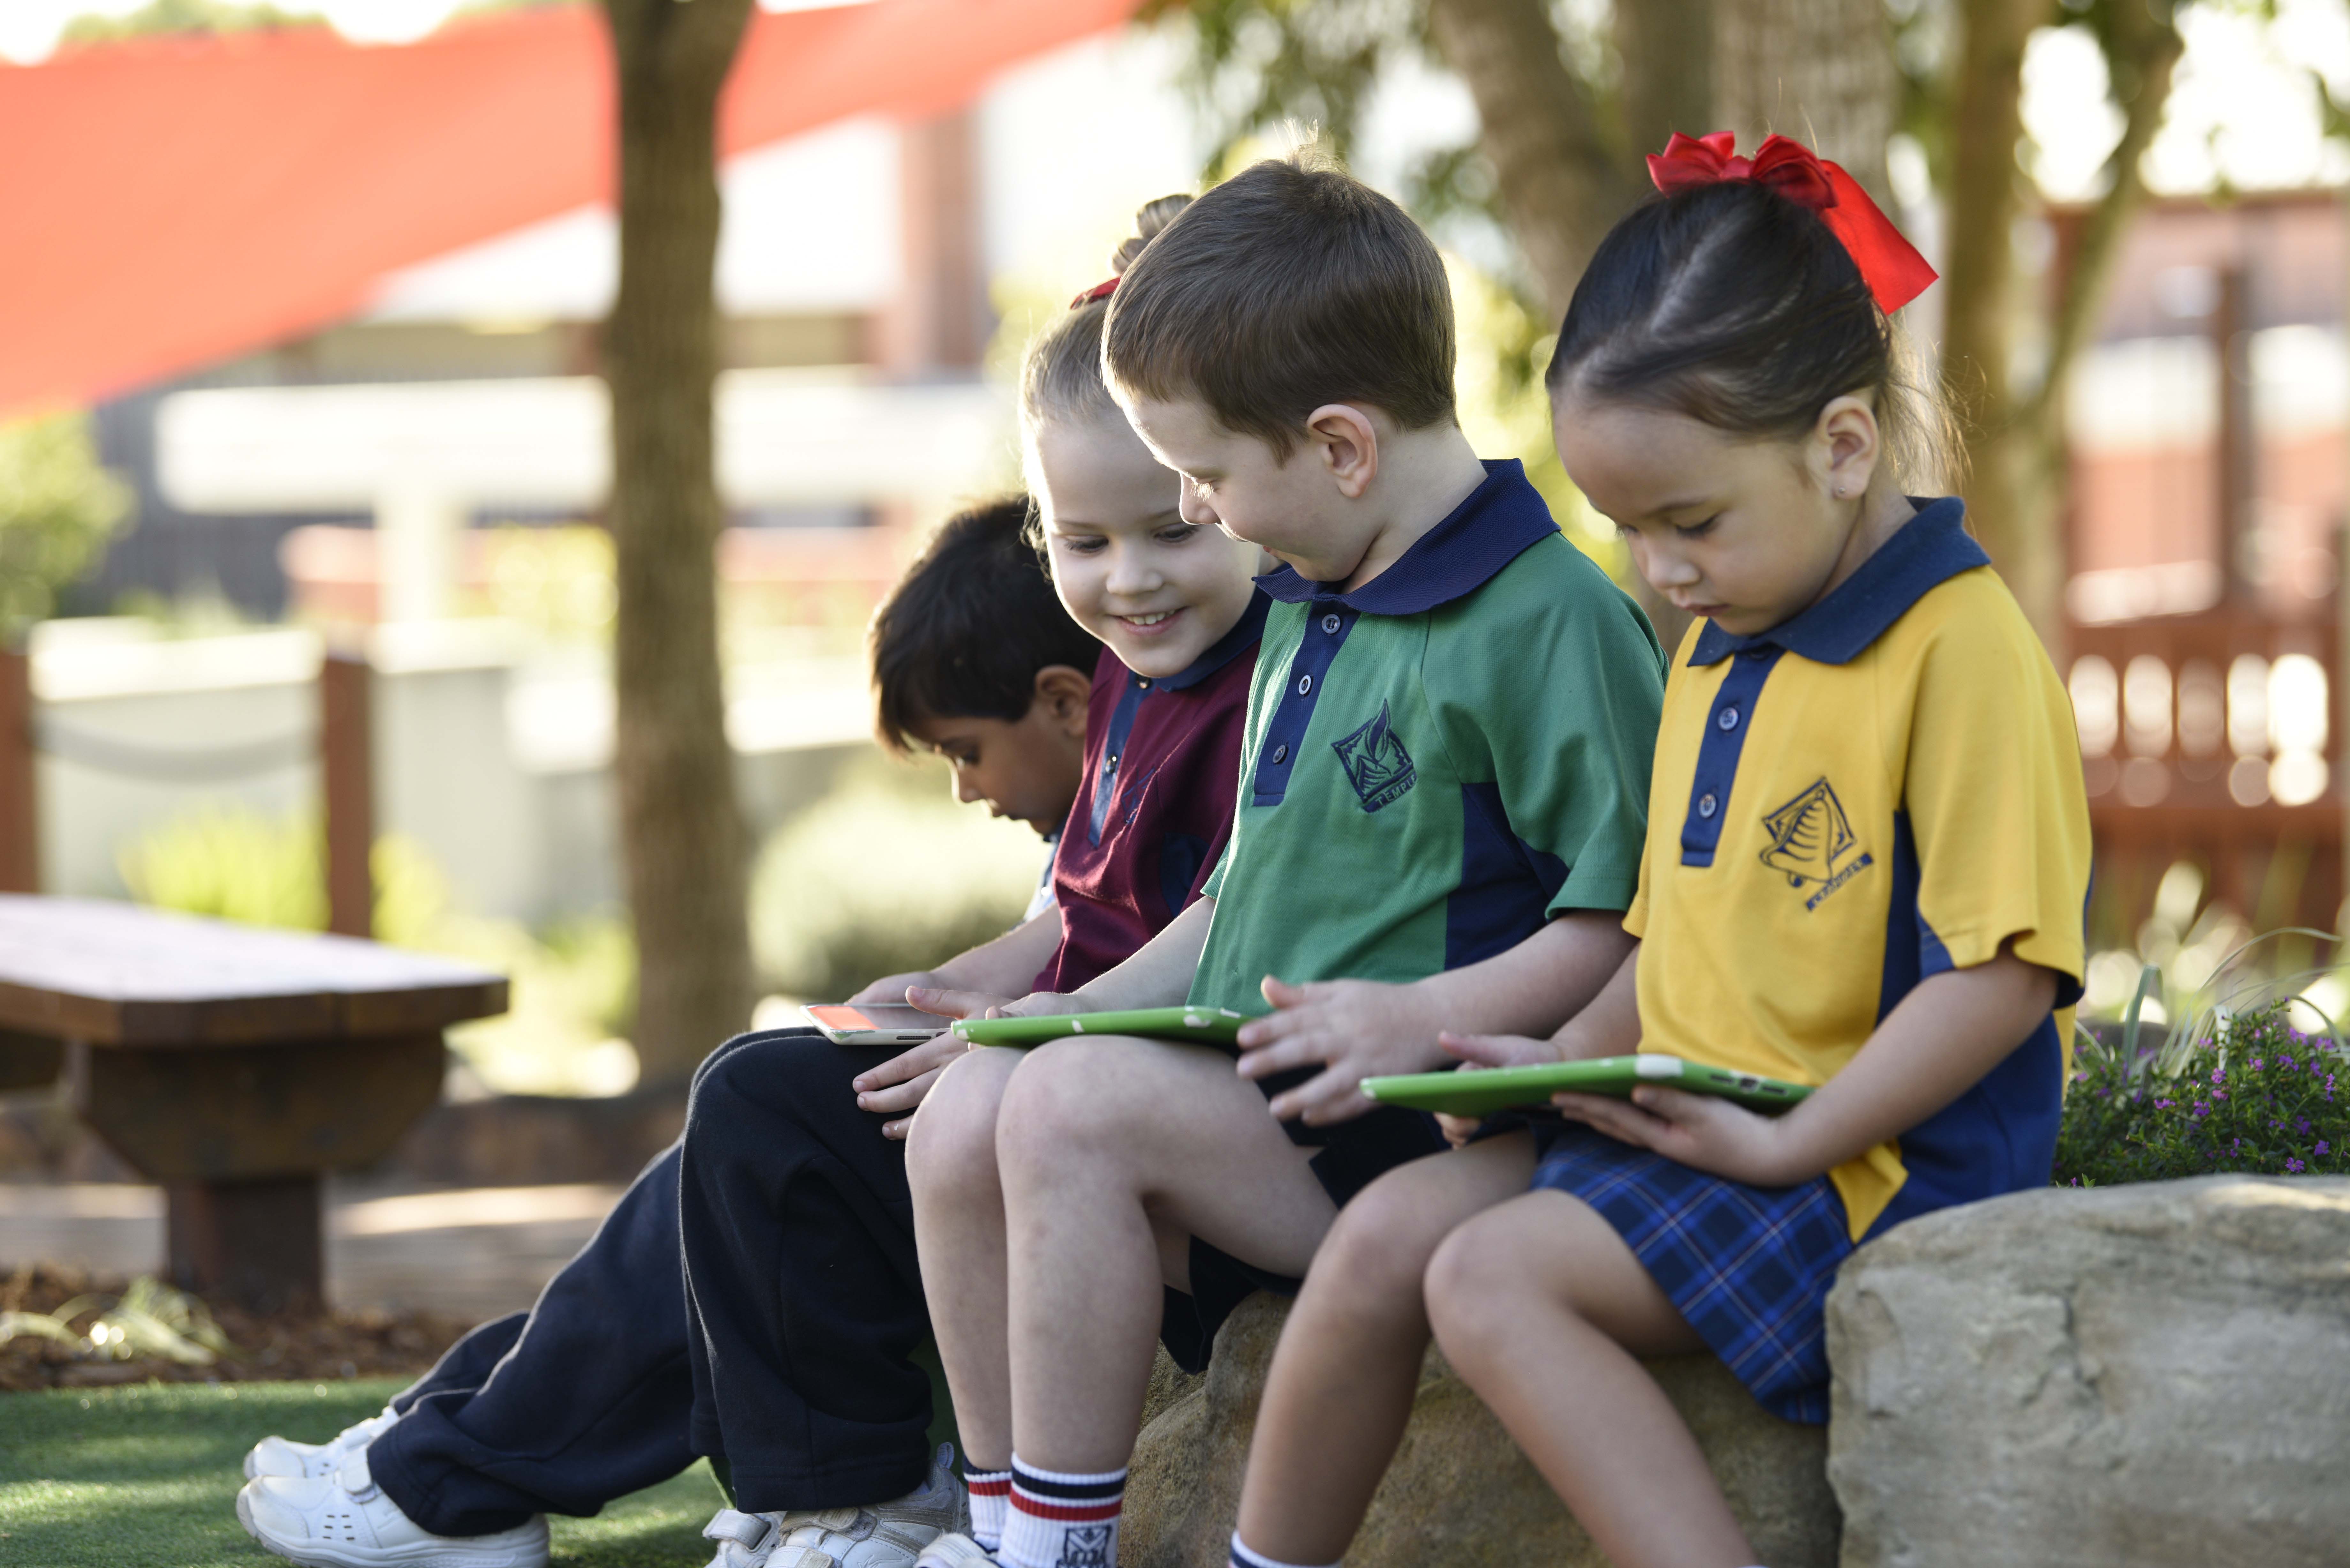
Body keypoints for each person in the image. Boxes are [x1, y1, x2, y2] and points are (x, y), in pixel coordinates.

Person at [234, 295, 1268, 1568]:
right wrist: (967, 985)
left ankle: (837, 1491)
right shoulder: (1144, 676)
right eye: (1088, 541)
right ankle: (459, 1449)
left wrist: (1020, 1020)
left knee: (762, 1121)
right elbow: (1083, 906)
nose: (1127, 577)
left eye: (1174, 521)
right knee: (746, 1116)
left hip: (1124, 1127)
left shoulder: (1264, 677)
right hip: (1051, 1086)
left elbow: (1228, 924)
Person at [1219, 132, 2092, 1568]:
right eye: (1627, 531)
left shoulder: (1961, 650)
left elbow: (2001, 978)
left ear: (1844, 444)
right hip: (1697, 1123)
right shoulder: (1726, 638)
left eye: (1690, 522)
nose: (1660, 573)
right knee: (1384, 1240)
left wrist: (1792, 1140)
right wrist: (1556, 1056)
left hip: (1864, 1164)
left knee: (1493, 1282)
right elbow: (1674, 929)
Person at [903, 155, 1666, 1568]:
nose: (1202, 513)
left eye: (1201, 483)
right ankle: (1001, 1524)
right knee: (970, 1111)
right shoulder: (1314, 601)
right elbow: (1240, 888)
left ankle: (1056, 1554)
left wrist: (1417, 1021)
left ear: (1339, 448)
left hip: (1428, 1129)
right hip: (1275, 1106)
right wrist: (1054, 1003)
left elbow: (1637, 920)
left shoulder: (1549, 619)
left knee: (1066, 1110)